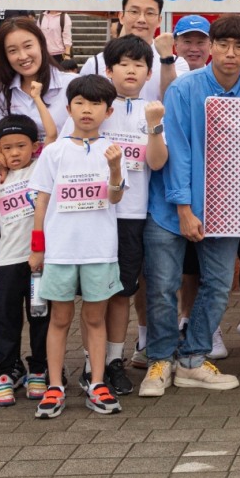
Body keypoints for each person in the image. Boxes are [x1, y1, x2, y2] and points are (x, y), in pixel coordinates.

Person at [139, 16, 240, 398]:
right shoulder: (183, 89)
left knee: (218, 285)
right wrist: (183, 208)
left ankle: (193, 359)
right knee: (162, 286)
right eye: (223, 45)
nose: (230, 53)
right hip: (170, 206)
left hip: (225, 208)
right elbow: (178, 150)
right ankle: (159, 360)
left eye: (239, 47)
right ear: (211, 47)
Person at [27, 75, 127, 418]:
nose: (87, 110)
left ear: (108, 111)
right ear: (68, 108)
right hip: (60, 251)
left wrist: (114, 168)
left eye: (96, 104)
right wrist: (37, 247)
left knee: (95, 318)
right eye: (80, 103)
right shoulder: (54, 152)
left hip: (100, 250)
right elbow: (40, 202)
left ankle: (97, 382)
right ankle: (55, 386)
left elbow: (115, 197)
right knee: (59, 318)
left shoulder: (113, 151)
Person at [72, 36, 166, 399]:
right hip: (93, 213)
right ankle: (88, 363)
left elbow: (156, 162)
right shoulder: (93, 106)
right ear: (108, 70)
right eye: (123, 64)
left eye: (139, 65)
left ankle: (114, 360)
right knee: (94, 293)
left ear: (148, 72)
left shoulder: (153, 110)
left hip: (131, 215)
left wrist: (155, 125)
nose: (131, 70)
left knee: (122, 292)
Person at [0, 115, 49, 408]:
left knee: (40, 316)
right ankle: (6, 371)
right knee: (7, 319)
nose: (14, 153)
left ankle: (39, 368)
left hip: (39, 261)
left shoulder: (41, 169)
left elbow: (56, 136)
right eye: (6, 147)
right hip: (9, 260)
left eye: (21, 146)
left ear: (34, 146)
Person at [0, 18, 75, 136]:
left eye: (28, 46)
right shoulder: (3, 91)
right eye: (12, 50)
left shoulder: (71, 84)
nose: (22, 56)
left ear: (41, 44)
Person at [78, 0, 179, 102]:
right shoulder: (95, 64)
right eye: (134, 12)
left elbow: (174, 103)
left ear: (159, 20)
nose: (141, 19)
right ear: (121, 16)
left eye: (150, 13)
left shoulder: (176, 63)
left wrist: (166, 59)